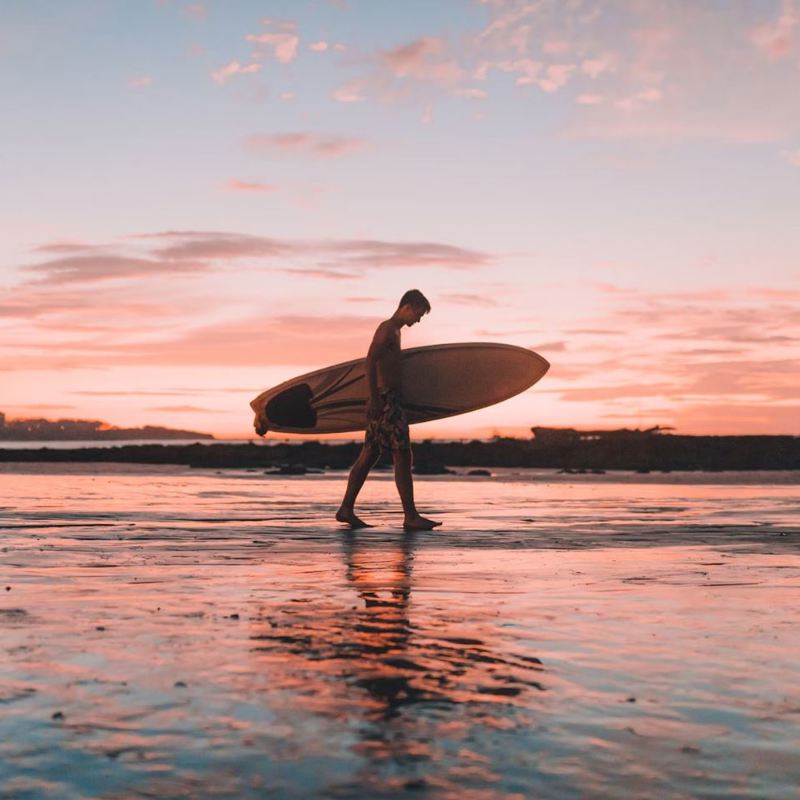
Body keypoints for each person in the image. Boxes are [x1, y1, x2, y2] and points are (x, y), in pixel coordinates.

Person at [336, 290, 442, 531]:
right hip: (386, 401)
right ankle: (411, 516)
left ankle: (346, 508)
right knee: (402, 454)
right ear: (407, 306)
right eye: (418, 313)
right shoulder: (387, 329)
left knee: (370, 454)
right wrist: (374, 397)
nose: (418, 320)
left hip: (388, 399)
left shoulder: (394, 331)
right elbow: (370, 361)